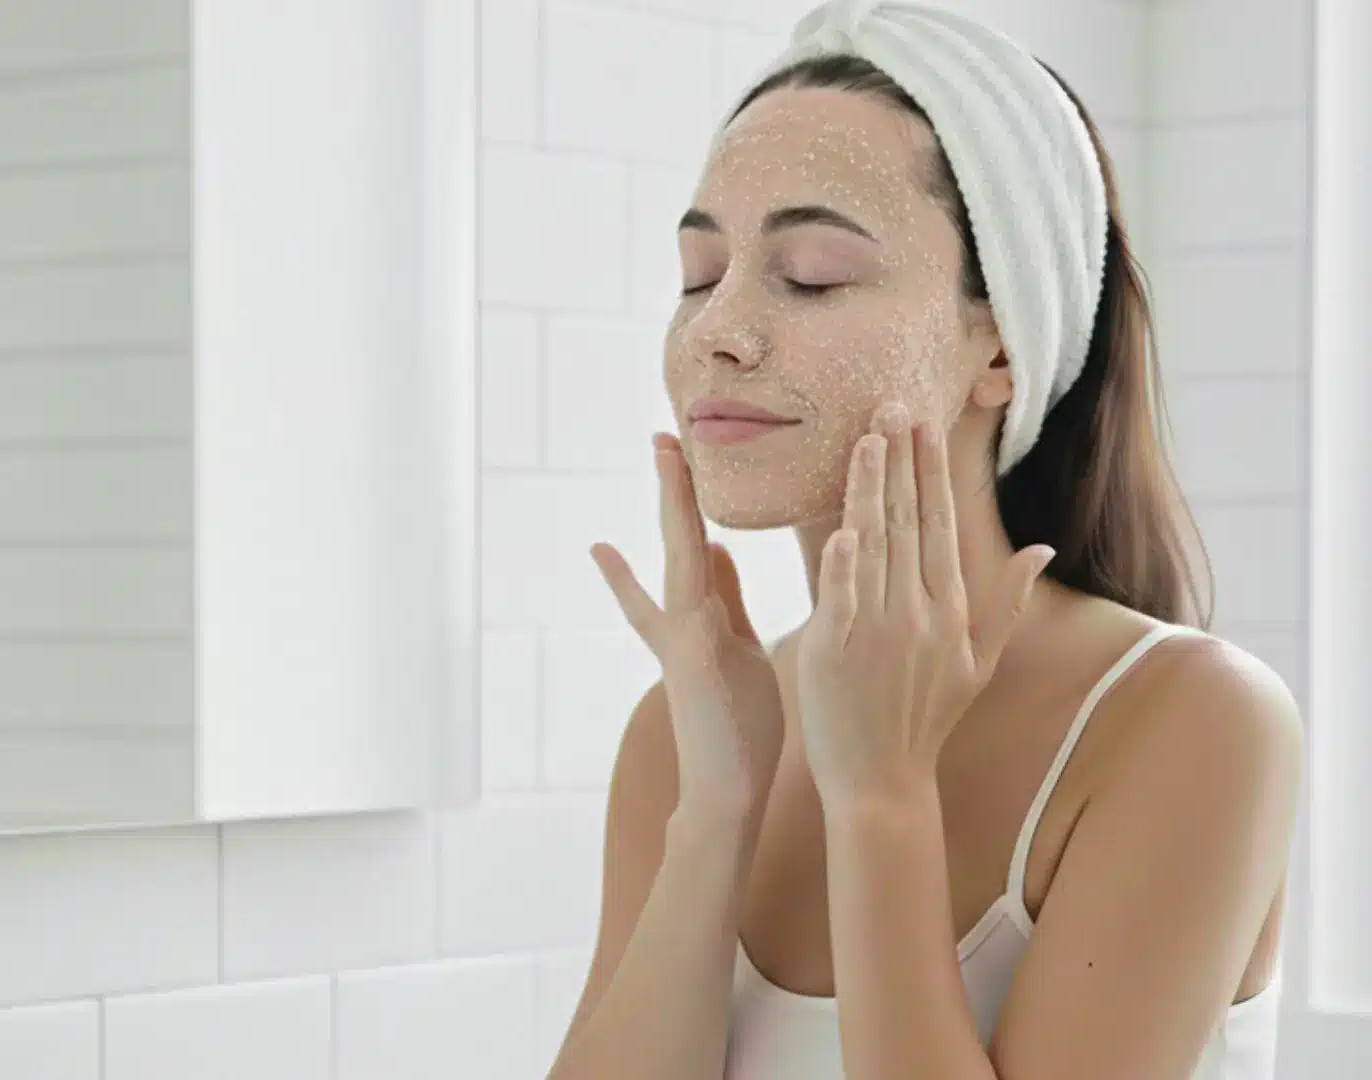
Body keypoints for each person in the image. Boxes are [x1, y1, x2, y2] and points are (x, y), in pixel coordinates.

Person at [545, 3, 1304, 1079]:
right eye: (699, 274)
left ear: (1000, 350)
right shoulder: (682, 737)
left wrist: (882, 798)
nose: (718, 329)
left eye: (811, 273)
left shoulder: (1190, 721)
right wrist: (715, 812)